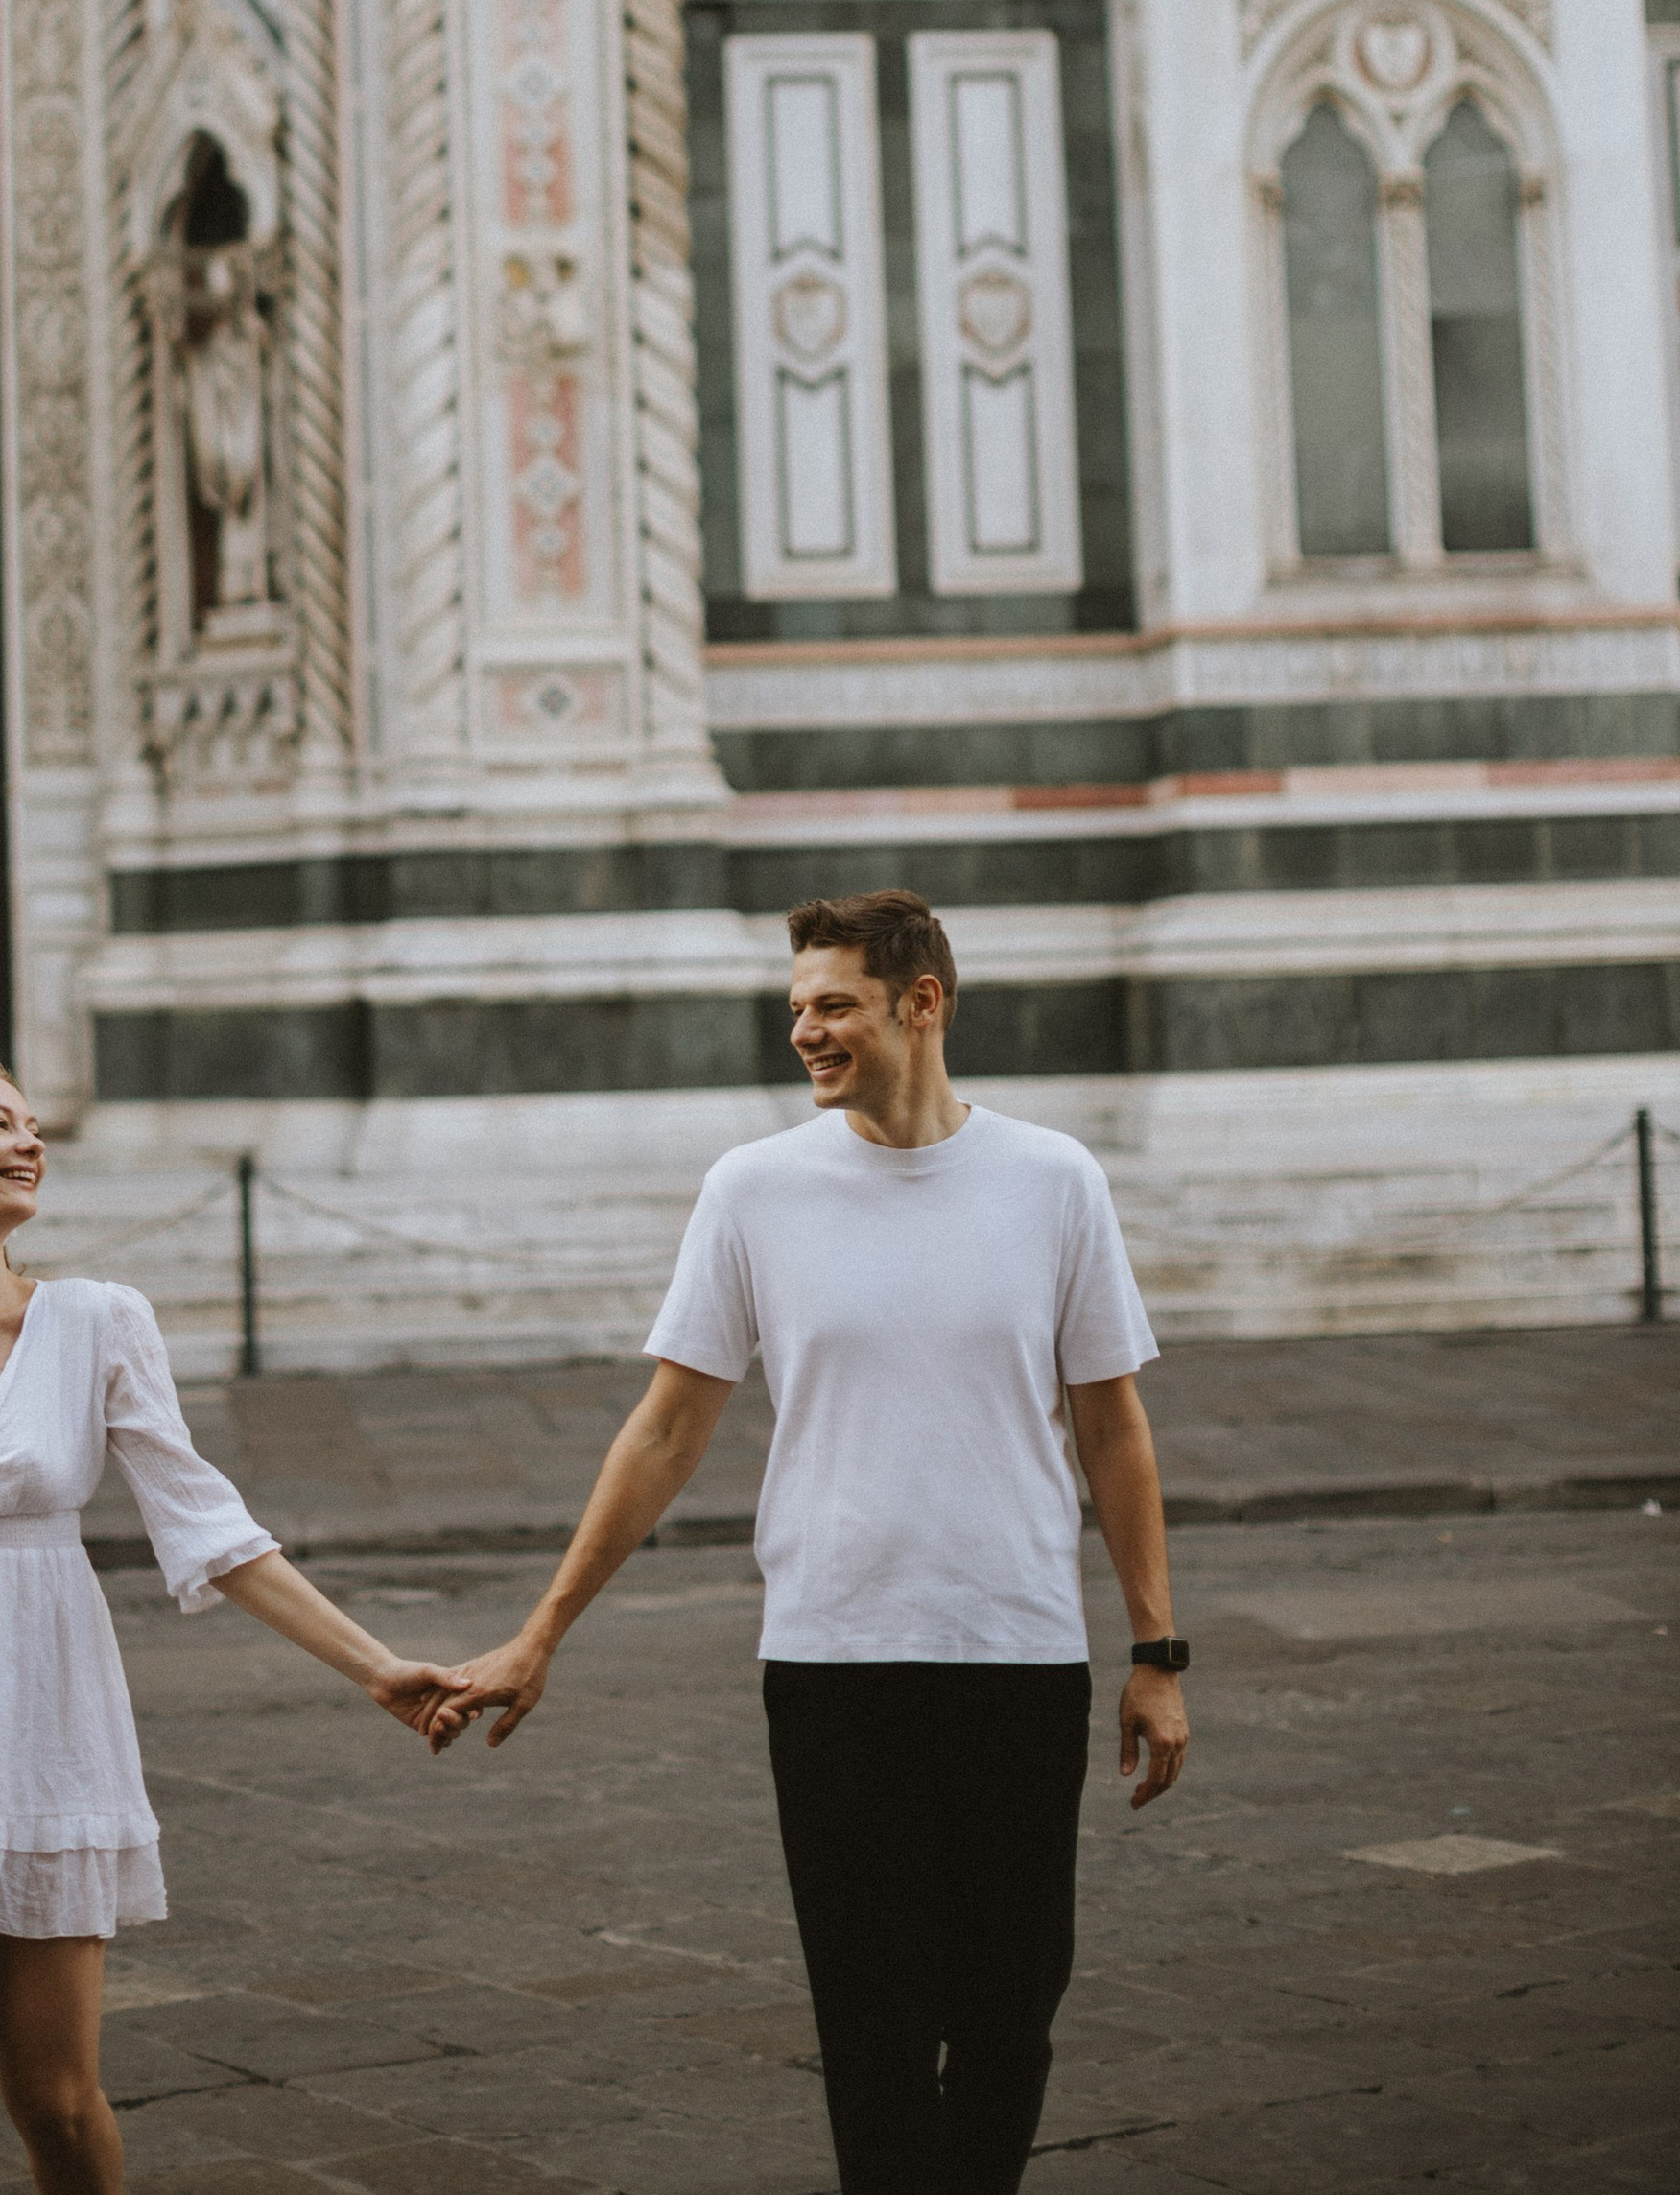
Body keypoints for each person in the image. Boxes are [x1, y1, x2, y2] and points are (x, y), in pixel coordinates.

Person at [430, 888, 1189, 2195]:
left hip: (1017, 1654)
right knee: (871, 2021)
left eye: (833, 1005)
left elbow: (1112, 1427)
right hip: (833, 1662)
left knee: (1010, 2011)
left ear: (921, 1003)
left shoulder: (1055, 1180)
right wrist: (539, 1633)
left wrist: (1157, 1651)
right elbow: (666, 1428)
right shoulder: (754, 1189)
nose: (804, 1032)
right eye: (795, 1008)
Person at [0, 1057, 465, 2192]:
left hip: (44, 1723)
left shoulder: (96, 1322)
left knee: (57, 2099)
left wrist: (374, 1668)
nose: (29, 1141)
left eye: (34, 1124)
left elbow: (211, 1528)